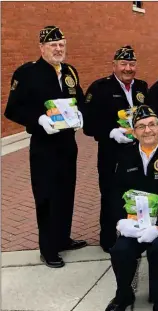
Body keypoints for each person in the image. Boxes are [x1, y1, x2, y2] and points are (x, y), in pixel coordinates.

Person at [4, 25, 86, 268]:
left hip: (67, 144)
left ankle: (62, 239)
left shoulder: (70, 71)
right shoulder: (27, 73)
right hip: (44, 146)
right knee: (47, 197)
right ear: (42, 48)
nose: (58, 49)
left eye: (61, 44)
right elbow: (13, 109)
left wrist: (81, 115)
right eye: (53, 45)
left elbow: (79, 99)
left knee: (66, 193)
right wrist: (39, 119)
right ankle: (47, 249)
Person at [102, 105, 158, 311]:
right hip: (134, 222)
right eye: (141, 126)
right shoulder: (126, 154)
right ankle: (123, 295)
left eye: (151, 125)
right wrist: (120, 221)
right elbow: (115, 192)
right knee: (120, 250)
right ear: (134, 131)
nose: (147, 130)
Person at [82, 45, 149, 252]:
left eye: (131, 64)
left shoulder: (142, 87)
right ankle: (109, 238)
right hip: (111, 152)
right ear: (114, 65)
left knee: (138, 191)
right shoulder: (100, 88)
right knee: (111, 193)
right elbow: (88, 124)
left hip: (138, 151)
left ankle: (138, 232)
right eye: (123, 64)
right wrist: (111, 132)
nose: (128, 68)